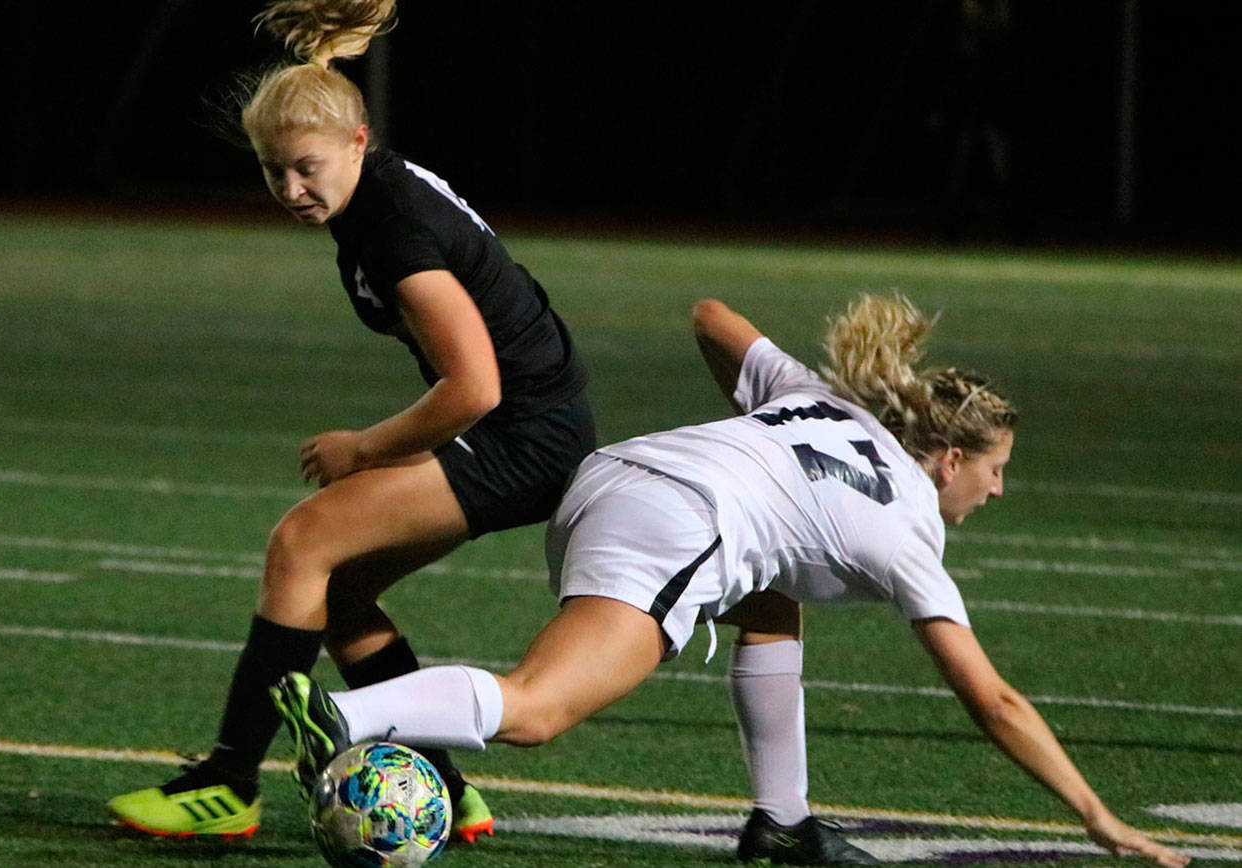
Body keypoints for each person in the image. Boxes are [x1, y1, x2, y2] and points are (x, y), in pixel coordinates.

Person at [268, 293, 1190, 867]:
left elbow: (711, 315)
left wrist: (761, 439)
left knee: (772, 599)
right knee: (539, 709)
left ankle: (781, 822)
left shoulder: (827, 403)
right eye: (995, 470)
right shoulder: (909, 524)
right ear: (946, 459)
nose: (1000, 487)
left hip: (617, 476)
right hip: (677, 526)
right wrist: (1096, 816)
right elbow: (994, 702)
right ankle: (342, 718)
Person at [105, 0, 594, 843]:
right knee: (340, 590)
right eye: (271, 171)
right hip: (532, 426)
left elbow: (473, 385)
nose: (291, 190)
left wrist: (363, 448)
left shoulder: (395, 229)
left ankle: (227, 785)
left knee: (303, 543)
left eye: (305, 167)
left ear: (358, 143)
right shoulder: (373, 196)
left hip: (524, 434)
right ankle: (446, 785)